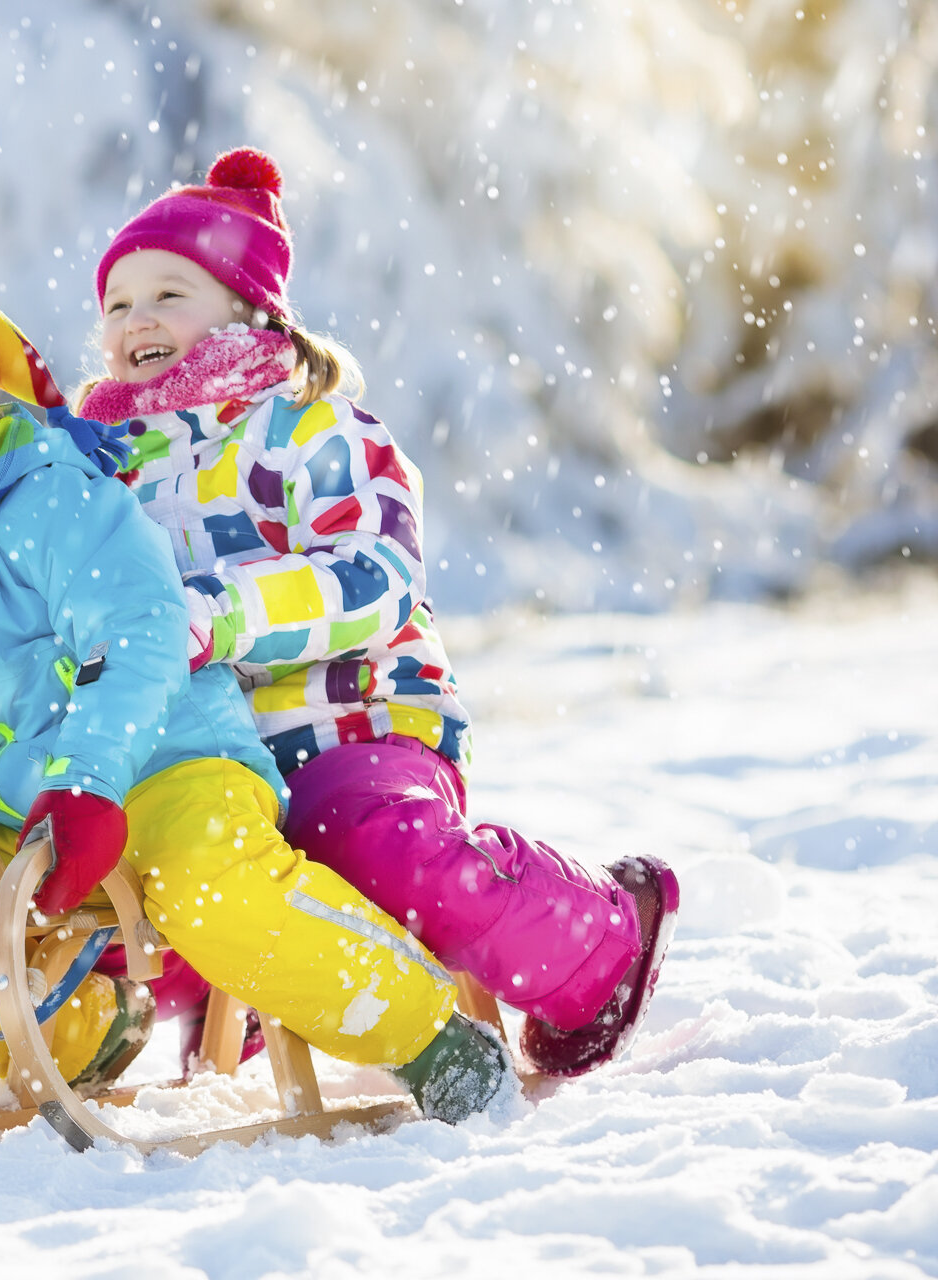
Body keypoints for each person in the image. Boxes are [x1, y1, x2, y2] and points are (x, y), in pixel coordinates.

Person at [0, 252, 507, 1120]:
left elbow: (136, 639)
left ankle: (429, 1037)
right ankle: (85, 1037)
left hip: (172, 759)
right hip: (34, 798)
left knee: (213, 889)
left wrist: (90, 782)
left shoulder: (52, 499)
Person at [75, 149, 680, 1078]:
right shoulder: (112, 469)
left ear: (246, 307)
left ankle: (598, 944)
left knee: (365, 842)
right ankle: (219, 996)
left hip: (354, 727)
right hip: (208, 761)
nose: (135, 321)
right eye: (117, 305)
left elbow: (375, 576)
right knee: (137, 881)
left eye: (167, 294)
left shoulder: (312, 428)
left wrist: (220, 618)